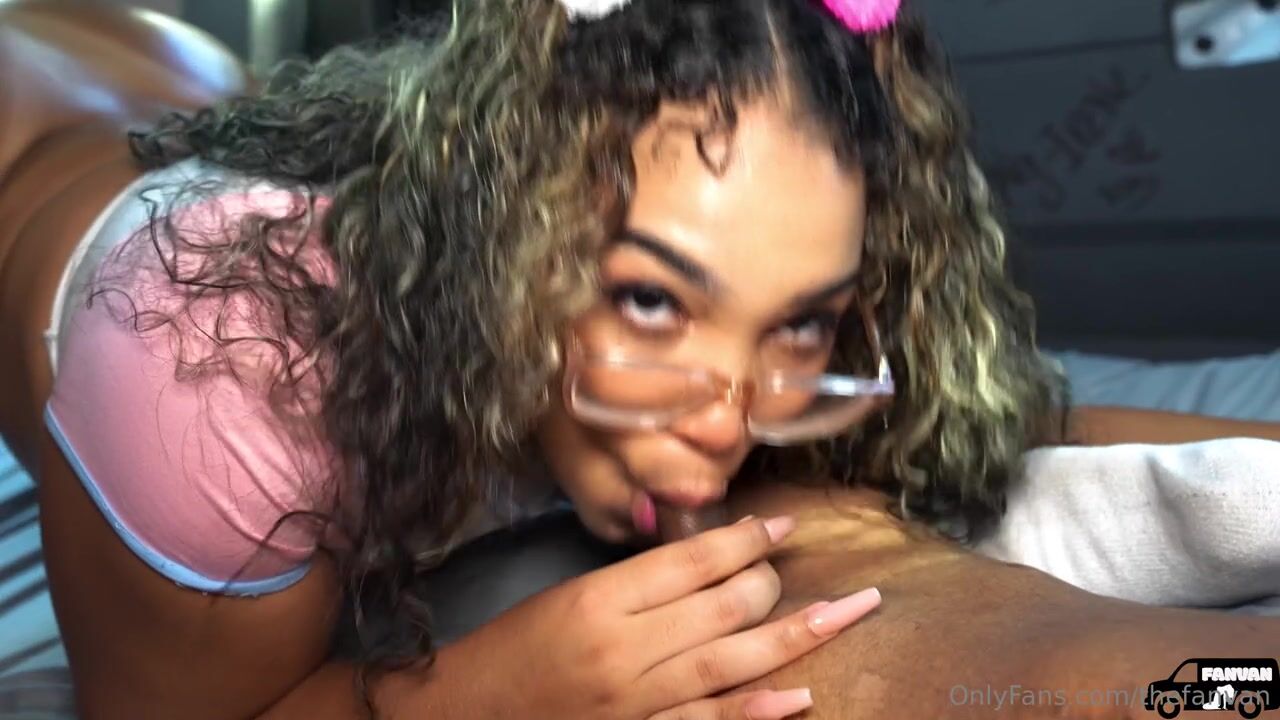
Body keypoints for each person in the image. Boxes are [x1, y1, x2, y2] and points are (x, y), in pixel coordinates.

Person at [4, 0, 1277, 718]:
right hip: (37, 144)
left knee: (207, 82)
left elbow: (998, 422)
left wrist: (1221, 683)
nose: (725, 425)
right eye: (653, 299)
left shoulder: (771, 342)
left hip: (180, 86)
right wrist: (478, 694)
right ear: (501, 228)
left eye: (797, 319)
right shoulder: (213, 372)